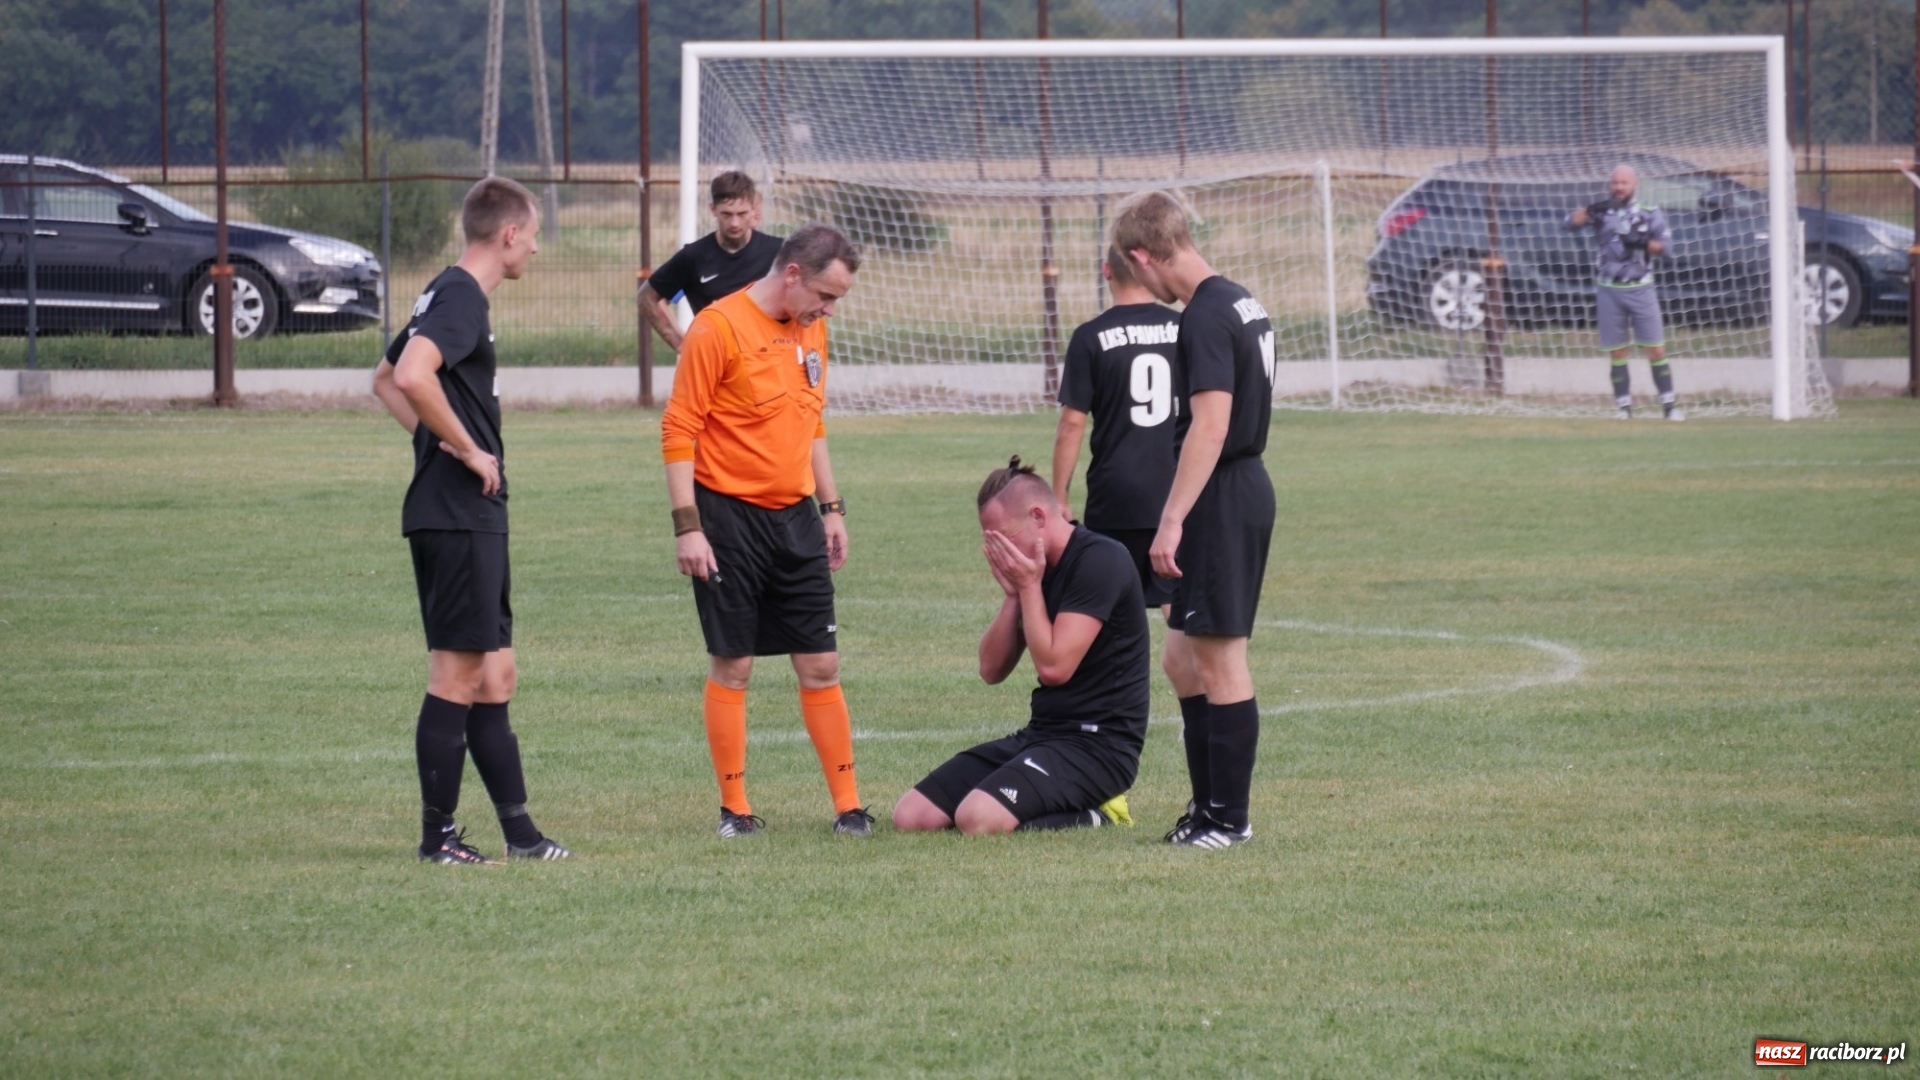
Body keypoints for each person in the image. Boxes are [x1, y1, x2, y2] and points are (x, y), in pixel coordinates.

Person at [371, 176, 570, 864]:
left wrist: (436, 445)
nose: (536, 249)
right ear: (508, 233)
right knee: (456, 678)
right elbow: (412, 375)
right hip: (457, 515)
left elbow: (384, 375)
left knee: (495, 677)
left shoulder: (446, 291)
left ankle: (521, 836)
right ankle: (438, 840)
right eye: (533, 234)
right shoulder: (458, 294)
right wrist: (459, 448)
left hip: (465, 512)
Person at [659, 222, 874, 839]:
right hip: (727, 520)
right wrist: (688, 528)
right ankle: (735, 810)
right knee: (735, 666)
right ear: (792, 275)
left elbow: (812, 423)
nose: (829, 310)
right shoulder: (718, 328)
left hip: (797, 519)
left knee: (822, 664)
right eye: (826, 296)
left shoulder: (814, 330)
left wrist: (832, 508)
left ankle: (849, 806)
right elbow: (679, 431)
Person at [1113, 189, 1276, 851]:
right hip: (1236, 486)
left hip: (1223, 494)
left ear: (1145, 255)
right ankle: (1206, 806)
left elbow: (1210, 425)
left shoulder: (1205, 315)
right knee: (1182, 656)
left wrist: (1172, 518)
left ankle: (1228, 820)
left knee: (1220, 660)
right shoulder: (1240, 298)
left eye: (1134, 270)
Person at [893, 458, 1148, 836]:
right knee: (912, 817)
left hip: (1099, 746)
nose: (1001, 552)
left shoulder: (1101, 560)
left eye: (1004, 538)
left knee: (977, 819)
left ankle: (1101, 813)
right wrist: (1014, 594)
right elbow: (991, 671)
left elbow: (1055, 668)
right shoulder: (1032, 567)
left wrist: (1029, 587)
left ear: (1039, 517)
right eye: (990, 542)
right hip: (1042, 735)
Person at [1050, 245, 1208, 771]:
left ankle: (1098, 724)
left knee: (1104, 618)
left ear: (1104, 271)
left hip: (1116, 499)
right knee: (1180, 617)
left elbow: (1073, 423)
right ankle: (1203, 719)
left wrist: (1058, 496)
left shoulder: (1091, 336)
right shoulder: (1185, 328)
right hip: (1176, 499)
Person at [1566, 164, 1683, 421]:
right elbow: (1568, 223)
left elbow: (1666, 248)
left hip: (1641, 288)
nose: (1618, 187)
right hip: (1609, 290)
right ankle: (1624, 408)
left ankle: (1669, 406)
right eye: (1615, 183)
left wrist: (1641, 243)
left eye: (1624, 183)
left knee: (1656, 350)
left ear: (1635, 185)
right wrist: (1587, 212)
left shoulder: (1650, 213)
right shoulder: (1602, 213)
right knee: (1617, 351)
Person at [639, 170, 784, 353]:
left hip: (765, 366)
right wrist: (683, 346)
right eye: (726, 214)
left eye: (741, 214)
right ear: (712, 209)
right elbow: (646, 298)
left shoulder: (778, 252)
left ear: (754, 209)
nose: (734, 223)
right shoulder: (693, 256)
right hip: (716, 368)